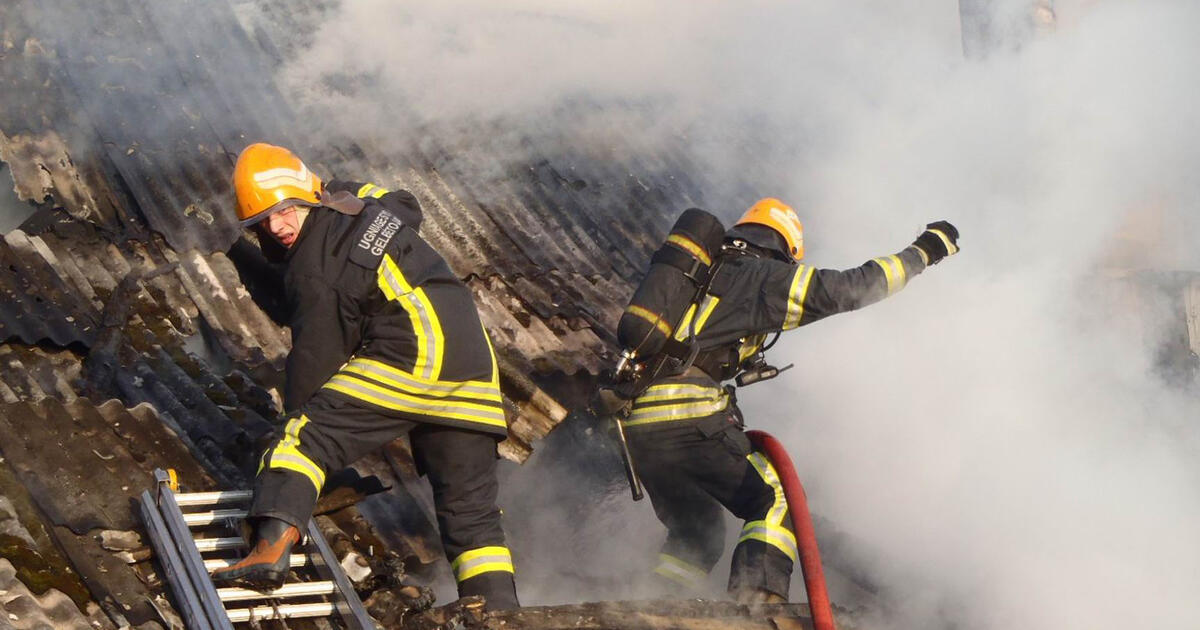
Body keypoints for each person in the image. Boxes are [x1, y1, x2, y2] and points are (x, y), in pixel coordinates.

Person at [212, 142, 519, 610]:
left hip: (415, 354)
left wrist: (296, 434)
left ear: (305, 196)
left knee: (303, 436)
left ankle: (269, 551)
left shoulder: (315, 272)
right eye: (263, 221)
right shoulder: (356, 200)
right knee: (471, 516)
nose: (277, 227)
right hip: (472, 366)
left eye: (285, 210)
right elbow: (405, 203)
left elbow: (314, 366)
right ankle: (499, 615)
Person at [619, 198, 959, 603]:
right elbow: (852, 288)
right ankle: (756, 606)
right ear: (785, 250)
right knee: (777, 498)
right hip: (686, 414)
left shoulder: (699, 275)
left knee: (697, 529)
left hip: (634, 424)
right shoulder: (763, 276)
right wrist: (924, 251)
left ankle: (658, 606)